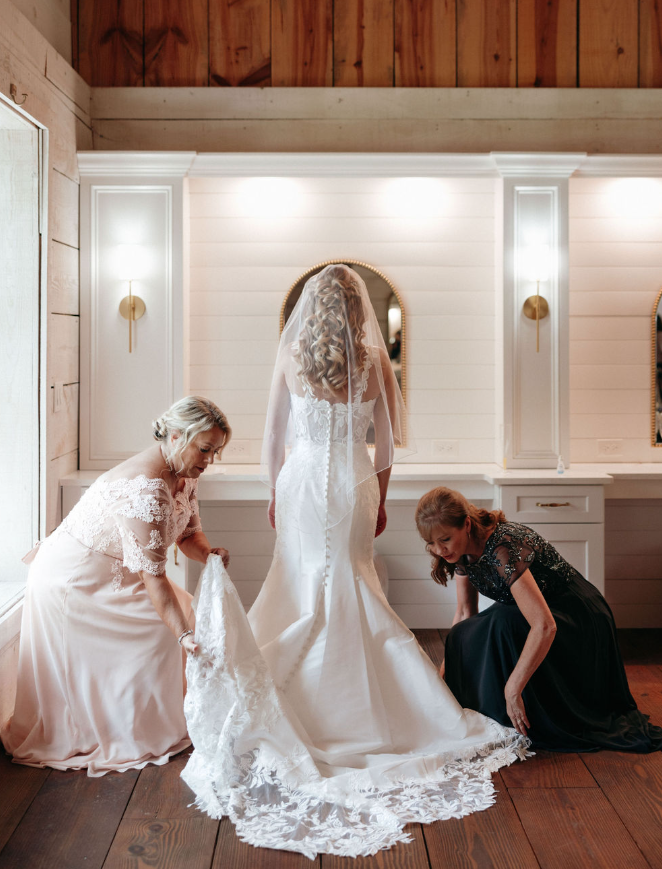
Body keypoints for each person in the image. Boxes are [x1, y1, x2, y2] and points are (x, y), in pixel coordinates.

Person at [181, 266, 528, 859]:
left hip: (300, 486)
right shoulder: (372, 362)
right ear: (358, 309)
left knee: (296, 581)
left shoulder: (291, 354)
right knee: (351, 584)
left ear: (310, 309)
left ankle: (288, 701)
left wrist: (274, 491)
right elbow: (386, 443)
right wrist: (380, 496)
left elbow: (272, 437)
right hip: (352, 482)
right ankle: (383, 710)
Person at [2, 396, 231, 776]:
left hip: (117, 571)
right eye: (204, 449)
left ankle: (160, 718)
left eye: (215, 451)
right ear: (176, 436)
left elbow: (188, 531)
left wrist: (207, 553)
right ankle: (127, 729)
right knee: (165, 631)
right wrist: (183, 636)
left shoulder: (185, 473)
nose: (208, 460)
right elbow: (154, 578)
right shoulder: (147, 489)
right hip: (74, 582)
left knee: (187, 612)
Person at [415, 486, 662, 752]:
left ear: (466, 525)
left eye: (445, 540)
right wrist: (445, 678)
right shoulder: (460, 551)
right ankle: (485, 711)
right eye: (431, 544)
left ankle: (524, 709)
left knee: (502, 623)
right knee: (467, 631)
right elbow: (464, 614)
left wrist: (513, 688)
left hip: (577, 617)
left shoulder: (503, 545)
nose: (439, 550)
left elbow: (545, 625)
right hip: (537, 613)